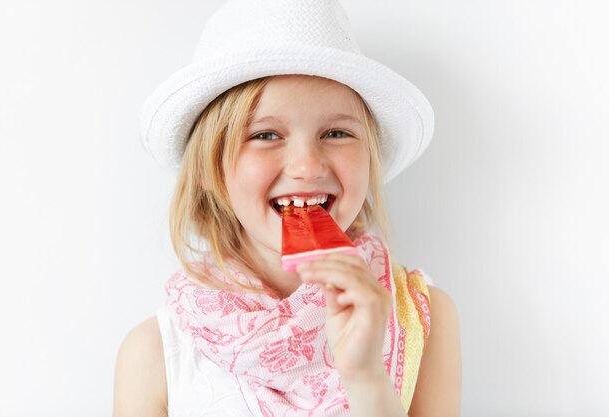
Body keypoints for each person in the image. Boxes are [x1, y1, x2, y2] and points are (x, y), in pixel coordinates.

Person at [113, 0, 461, 416]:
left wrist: (367, 378)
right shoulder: (155, 355)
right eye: (265, 135)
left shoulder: (421, 316)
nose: (307, 166)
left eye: (336, 132)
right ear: (208, 170)